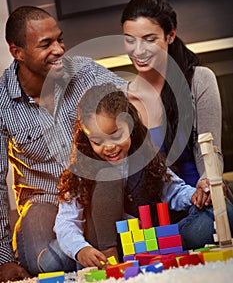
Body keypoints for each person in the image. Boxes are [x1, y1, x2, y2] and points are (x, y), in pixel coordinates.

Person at [0, 6, 125, 281]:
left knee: (101, 241)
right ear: (17, 52)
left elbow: (132, 108)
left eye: (59, 39)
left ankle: (89, 249)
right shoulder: (1, 102)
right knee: (43, 264)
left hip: (91, 190)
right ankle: (82, 252)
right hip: (41, 199)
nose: (59, 49)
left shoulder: (85, 72)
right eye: (46, 44)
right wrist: (3, 258)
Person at [51, 83, 233, 270]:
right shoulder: (82, 170)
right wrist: (81, 249)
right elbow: (66, 222)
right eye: (97, 141)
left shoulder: (145, 157)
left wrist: (195, 195)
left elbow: (173, 190)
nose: (109, 147)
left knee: (221, 209)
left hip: (149, 244)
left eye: (116, 135)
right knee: (109, 176)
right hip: (103, 251)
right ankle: (102, 253)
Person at [120, 0, 223, 192]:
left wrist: (208, 184)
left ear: (170, 35)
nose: (138, 51)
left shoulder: (199, 80)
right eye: (130, 40)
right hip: (150, 213)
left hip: (198, 203)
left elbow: (211, 153)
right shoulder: (121, 98)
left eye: (149, 39)